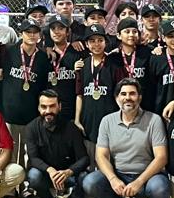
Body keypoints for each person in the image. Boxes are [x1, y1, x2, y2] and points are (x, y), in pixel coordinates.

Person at [78, 78, 169, 198]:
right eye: (123, 94)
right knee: (90, 182)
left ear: (139, 97)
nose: (128, 97)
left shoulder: (154, 120)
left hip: (147, 177)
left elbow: (161, 158)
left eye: (132, 94)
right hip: (119, 175)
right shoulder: (107, 121)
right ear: (117, 98)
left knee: (160, 188)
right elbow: (100, 156)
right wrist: (113, 179)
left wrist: (139, 181)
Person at [23, 90, 89, 198]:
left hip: (68, 176)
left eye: (52, 106)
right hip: (46, 175)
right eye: (44, 107)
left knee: (84, 176)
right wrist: (50, 170)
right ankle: (46, 197)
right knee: (33, 175)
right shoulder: (31, 128)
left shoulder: (71, 128)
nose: (48, 111)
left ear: (59, 106)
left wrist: (68, 172)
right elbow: (33, 158)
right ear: (38, 107)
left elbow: (84, 158)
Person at [0, 19, 51, 167]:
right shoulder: (8, 51)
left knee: (30, 152)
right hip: (10, 112)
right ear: (21, 33)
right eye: (28, 32)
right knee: (11, 152)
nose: (32, 35)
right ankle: (11, 187)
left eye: (35, 32)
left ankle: (27, 187)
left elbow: (43, 86)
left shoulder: (43, 57)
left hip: (31, 114)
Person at [75, 24, 118, 156]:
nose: (96, 44)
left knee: (108, 158)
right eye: (92, 41)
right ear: (87, 44)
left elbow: (119, 94)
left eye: (100, 40)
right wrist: (77, 119)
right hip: (88, 119)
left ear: (106, 42)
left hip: (109, 118)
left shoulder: (114, 64)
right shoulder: (82, 65)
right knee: (90, 157)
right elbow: (79, 94)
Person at [47, 15, 83, 124]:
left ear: (68, 32)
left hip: (71, 112)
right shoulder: (45, 54)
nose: (56, 32)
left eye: (61, 28)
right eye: (53, 28)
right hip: (50, 111)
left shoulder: (77, 51)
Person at [109, 17, 150, 85]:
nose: (131, 35)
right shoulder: (113, 57)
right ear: (118, 35)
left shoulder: (147, 53)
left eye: (134, 31)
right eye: (127, 32)